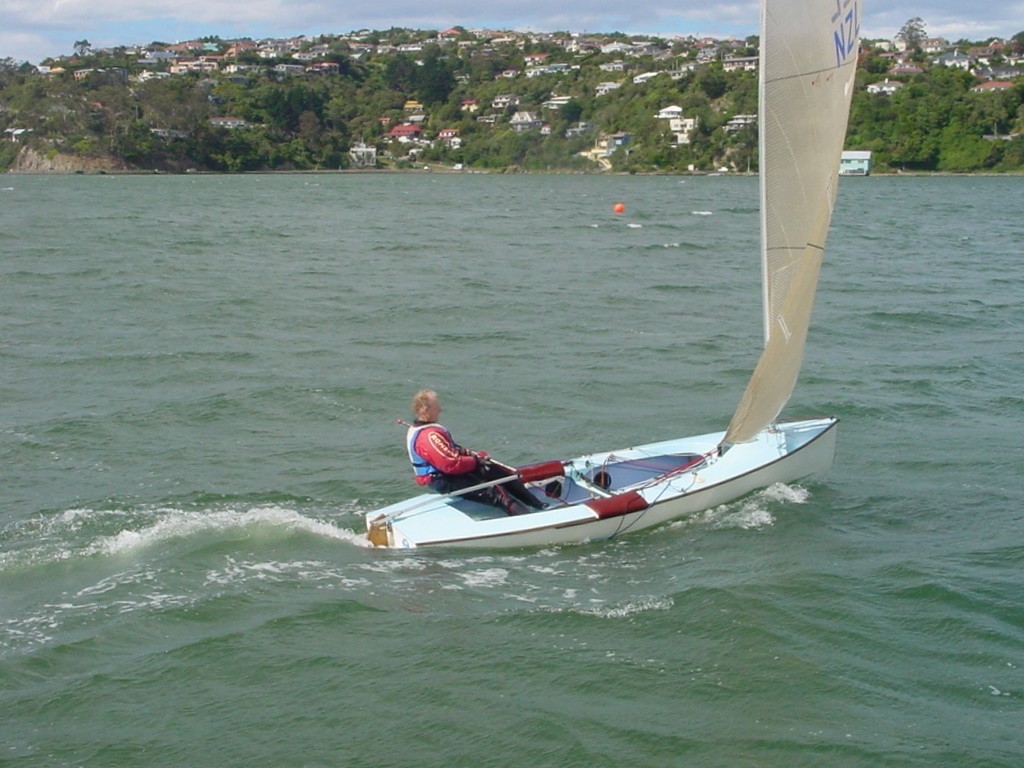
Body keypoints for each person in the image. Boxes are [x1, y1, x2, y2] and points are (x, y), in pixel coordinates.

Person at [406, 389, 544, 514]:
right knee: (497, 493)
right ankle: (529, 520)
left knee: (492, 469)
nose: (440, 409)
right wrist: (475, 461)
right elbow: (450, 464)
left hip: (450, 473)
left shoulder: (427, 430)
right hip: (443, 479)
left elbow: (453, 450)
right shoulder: (429, 436)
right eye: (437, 406)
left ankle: (538, 505)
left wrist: (476, 458)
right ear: (424, 409)